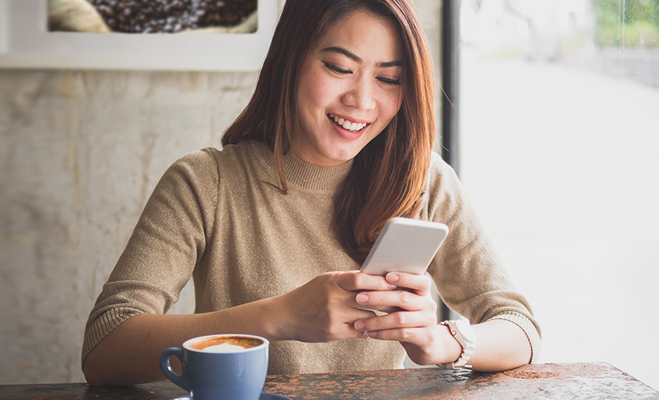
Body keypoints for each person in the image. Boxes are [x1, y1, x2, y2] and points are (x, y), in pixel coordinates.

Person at [82, 0, 541, 386]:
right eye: (339, 68)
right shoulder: (206, 182)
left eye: (388, 78)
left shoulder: (421, 180)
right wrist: (280, 316)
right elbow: (105, 346)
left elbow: (519, 327)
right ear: (291, 60)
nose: (362, 101)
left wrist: (442, 341)